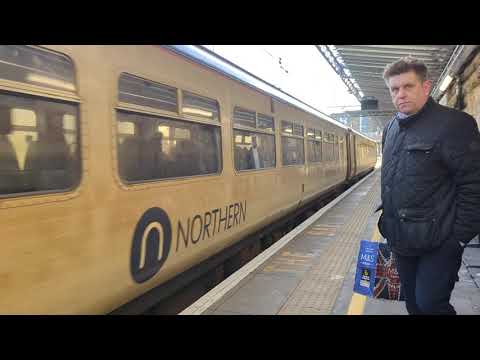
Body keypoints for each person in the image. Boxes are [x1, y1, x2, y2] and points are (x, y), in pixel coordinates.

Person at [378, 56, 480, 315]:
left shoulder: (454, 124)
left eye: (408, 86)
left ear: (426, 87)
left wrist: (457, 239)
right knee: (412, 303)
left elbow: (473, 184)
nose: (400, 94)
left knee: (431, 305)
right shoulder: (390, 128)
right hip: (401, 240)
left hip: (439, 241)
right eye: (394, 89)